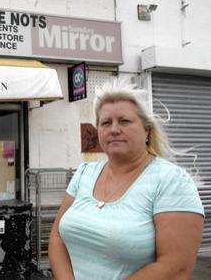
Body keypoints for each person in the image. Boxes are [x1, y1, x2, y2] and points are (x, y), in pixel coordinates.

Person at [48, 81, 205, 279]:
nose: (114, 129)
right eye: (106, 123)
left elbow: (175, 268)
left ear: (147, 130)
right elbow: (57, 236)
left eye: (124, 121)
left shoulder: (172, 181)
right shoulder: (84, 172)